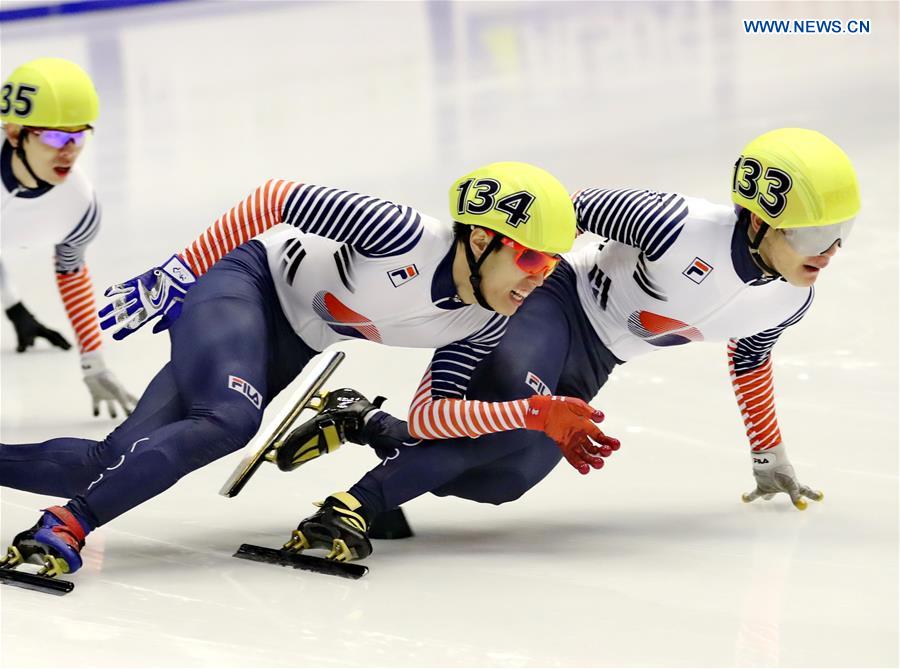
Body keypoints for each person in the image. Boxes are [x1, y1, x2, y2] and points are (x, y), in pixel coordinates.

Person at [0, 161, 620, 577]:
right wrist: (180, 273)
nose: (541, 278)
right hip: (245, 284)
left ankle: (71, 499)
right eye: (532, 258)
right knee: (228, 420)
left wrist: (533, 413)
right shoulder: (401, 234)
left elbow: (431, 416)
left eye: (551, 265)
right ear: (481, 240)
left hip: (297, 336)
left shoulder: (486, 320)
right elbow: (276, 198)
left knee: (112, 460)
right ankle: (68, 524)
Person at [279, 127, 860, 560]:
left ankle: (363, 422)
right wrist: (489, 290)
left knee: (505, 481)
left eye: (840, 234)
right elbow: (554, 214)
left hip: (597, 358)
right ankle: (352, 507)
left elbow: (751, 359)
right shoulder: (674, 225)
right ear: (758, 220)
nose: (828, 251)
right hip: (551, 302)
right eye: (813, 234)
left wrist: (768, 454)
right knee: (507, 422)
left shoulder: (791, 298)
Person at [1, 57, 136, 418]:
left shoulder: (79, 207)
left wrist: (93, 360)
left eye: (78, 136)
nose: (70, 151)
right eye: (57, 136)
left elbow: (71, 271)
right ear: (15, 134)